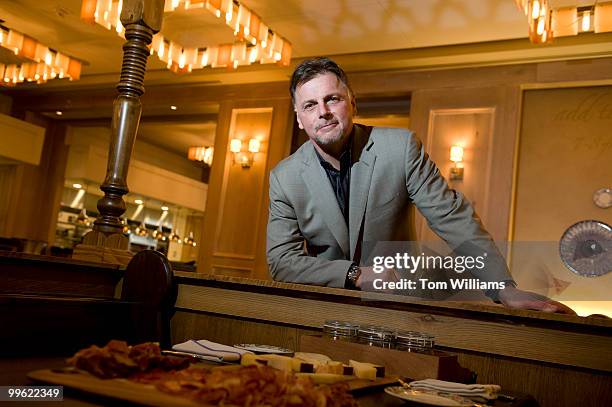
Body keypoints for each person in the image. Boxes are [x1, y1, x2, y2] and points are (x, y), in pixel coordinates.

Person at [266, 57, 574, 314]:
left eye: (332, 98)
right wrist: (356, 275)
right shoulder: (284, 177)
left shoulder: (399, 148)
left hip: (402, 306)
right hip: (327, 309)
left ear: (352, 103)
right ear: (299, 118)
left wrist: (503, 288)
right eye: (309, 105)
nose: (323, 111)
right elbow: (282, 262)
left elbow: (454, 219)